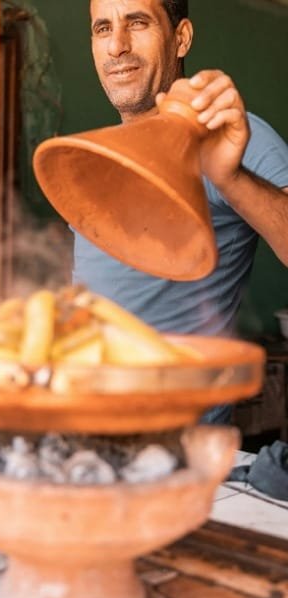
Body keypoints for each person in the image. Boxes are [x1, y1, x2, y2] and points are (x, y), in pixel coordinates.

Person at [72, 0, 288, 424]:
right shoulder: (93, 155)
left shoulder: (232, 134)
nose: (117, 46)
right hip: (81, 428)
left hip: (177, 445)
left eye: (137, 23)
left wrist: (229, 176)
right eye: (102, 29)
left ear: (181, 38)